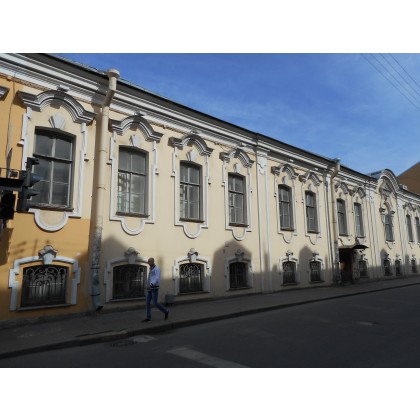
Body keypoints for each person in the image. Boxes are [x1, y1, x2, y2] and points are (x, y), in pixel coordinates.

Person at [142, 257, 169, 322]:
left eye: (149, 261)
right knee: (147, 303)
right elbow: (150, 278)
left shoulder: (157, 269)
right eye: (148, 261)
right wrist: (148, 285)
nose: (148, 263)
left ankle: (166, 311)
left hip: (154, 288)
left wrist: (151, 285)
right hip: (150, 288)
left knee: (155, 303)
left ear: (153, 261)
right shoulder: (151, 268)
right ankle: (148, 317)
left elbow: (156, 278)